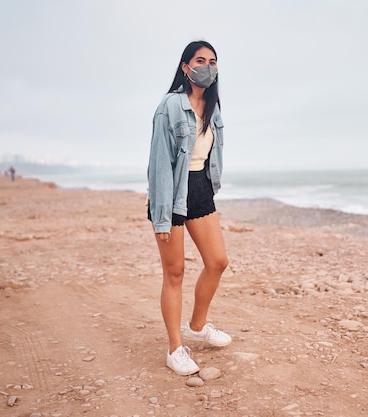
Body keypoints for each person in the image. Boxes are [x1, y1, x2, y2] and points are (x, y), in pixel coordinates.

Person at [147, 40, 230, 376]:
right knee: (175, 273)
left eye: (212, 61)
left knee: (217, 261)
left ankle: (198, 325)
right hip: (171, 194)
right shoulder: (170, 106)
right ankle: (174, 348)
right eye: (200, 60)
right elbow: (159, 164)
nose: (206, 66)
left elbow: (209, 157)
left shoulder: (213, 107)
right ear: (185, 67)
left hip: (200, 190)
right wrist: (163, 216)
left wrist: (211, 188)